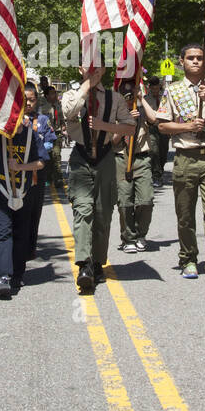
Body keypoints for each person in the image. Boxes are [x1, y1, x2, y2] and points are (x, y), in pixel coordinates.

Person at [156, 44, 205, 287]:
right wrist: (187, 127)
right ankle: (188, 258)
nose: (195, 62)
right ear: (181, 61)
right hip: (185, 157)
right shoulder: (173, 90)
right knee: (185, 215)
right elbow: (162, 125)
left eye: (200, 58)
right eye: (190, 58)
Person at [61, 64, 136, 293]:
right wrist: (87, 86)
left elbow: (130, 129)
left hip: (105, 157)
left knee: (103, 213)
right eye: (86, 64)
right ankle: (84, 265)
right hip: (81, 157)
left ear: (103, 69)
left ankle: (97, 262)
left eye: (97, 65)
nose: (91, 68)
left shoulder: (114, 98)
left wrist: (106, 126)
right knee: (83, 210)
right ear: (79, 68)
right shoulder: (71, 94)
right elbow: (69, 112)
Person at [0, 109, 45, 298]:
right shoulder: (0, 134)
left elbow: (41, 162)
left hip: (23, 192)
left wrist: (20, 167)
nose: (16, 120)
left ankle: (17, 274)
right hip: (2, 191)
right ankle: (4, 277)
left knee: (21, 234)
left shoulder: (31, 135)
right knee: (4, 232)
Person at [115, 80, 157, 253]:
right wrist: (125, 124)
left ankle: (141, 234)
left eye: (131, 93)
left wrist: (141, 98)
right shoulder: (113, 113)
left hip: (141, 158)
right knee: (125, 202)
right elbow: (112, 141)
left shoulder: (141, 109)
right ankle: (128, 238)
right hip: (121, 159)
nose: (128, 97)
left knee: (146, 200)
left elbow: (154, 119)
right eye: (125, 94)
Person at [22, 83, 56, 262]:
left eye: (31, 100)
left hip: (37, 170)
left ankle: (31, 247)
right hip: (17, 172)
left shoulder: (42, 120)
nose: (28, 103)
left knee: (35, 210)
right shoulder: (15, 121)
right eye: (25, 100)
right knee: (20, 210)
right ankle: (18, 244)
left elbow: (50, 141)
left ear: (37, 100)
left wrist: (39, 149)